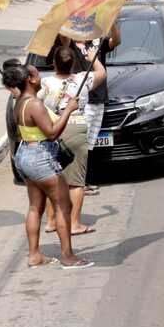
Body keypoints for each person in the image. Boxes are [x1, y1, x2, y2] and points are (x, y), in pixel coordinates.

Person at [4, 63, 92, 268]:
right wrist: (68, 110)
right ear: (29, 80)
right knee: (63, 205)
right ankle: (68, 257)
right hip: (40, 157)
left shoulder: (20, 102)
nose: (41, 77)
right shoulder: (34, 104)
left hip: (25, 154)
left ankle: (34, 255)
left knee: (36, 207)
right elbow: (52, 133)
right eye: (36, 74)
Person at [39, 46, 105, 236]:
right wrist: (93, 57)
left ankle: (51, 221)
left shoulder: (46, 83)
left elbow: (33, 101)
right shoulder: (83, 79)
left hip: (52, 129)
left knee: (53, 178)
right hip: (76, 127)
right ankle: (74, 223)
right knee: (76, 182)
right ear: (73, 63)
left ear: (54, 63)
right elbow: (101, 73)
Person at [72, 0, 121, 195]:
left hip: (99, 95)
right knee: (82, 141)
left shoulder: (100, 35)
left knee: (91, 141)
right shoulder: (75, 40)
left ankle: (86, 180)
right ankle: (79, 181)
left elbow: (115, 42)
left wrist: (113, 19)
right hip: (84, 95)